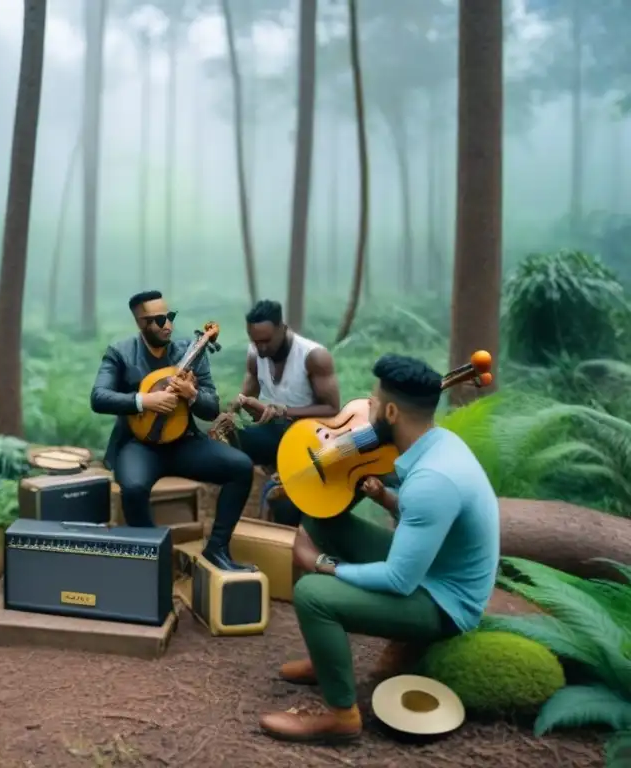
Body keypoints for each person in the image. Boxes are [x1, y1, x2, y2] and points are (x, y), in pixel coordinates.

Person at [258, 354, 500, 742]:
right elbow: (429, 521)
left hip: (444, 601)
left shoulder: (432, 480)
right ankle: (328, 659)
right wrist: (388, 499)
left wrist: (320, 564)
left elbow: (399, 580)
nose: (365, 410)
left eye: (371, 403)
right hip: (432, 566)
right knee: (322, 519)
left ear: (390, 411)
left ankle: (341, 716)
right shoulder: (438, 443)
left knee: (312, 594)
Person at [90, 290, 257, 572]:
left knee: (240, 467)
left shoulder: (191, 352)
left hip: (183, 442)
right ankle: (154, 558)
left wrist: (192, 395)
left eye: (169, 316)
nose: (167, 324)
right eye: (157, 320)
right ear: (140, 323)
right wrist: (144, 401)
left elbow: (212, 408)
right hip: (138, 444)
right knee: (132, 487)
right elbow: (99, 397)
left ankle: (217, 549)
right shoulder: (120, 352)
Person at [211, 299, 340, 525]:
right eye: (255, 340)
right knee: (220, 444)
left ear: (283, 328)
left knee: (286, 508)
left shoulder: (313, 357)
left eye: (266, 341)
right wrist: (231, 411)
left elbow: (332, 410)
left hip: (306, 436)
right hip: (271, 431)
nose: (260, 348)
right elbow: (246, 394)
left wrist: (285, 411)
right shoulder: (255, 353)